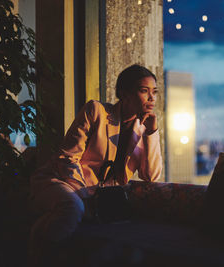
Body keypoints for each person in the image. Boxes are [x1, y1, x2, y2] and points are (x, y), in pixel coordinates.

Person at [28, 64, 162, 264]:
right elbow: (67, 158)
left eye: (155, 92)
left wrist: (152, 133)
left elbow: (151, 176)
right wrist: (86, 196)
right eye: (144, 91)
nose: (151, 98)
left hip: (99, 196)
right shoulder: (96, 111)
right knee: (72, 208)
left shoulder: (142, 130)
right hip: (60, 180)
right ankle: (37, 255)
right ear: (124, 94)